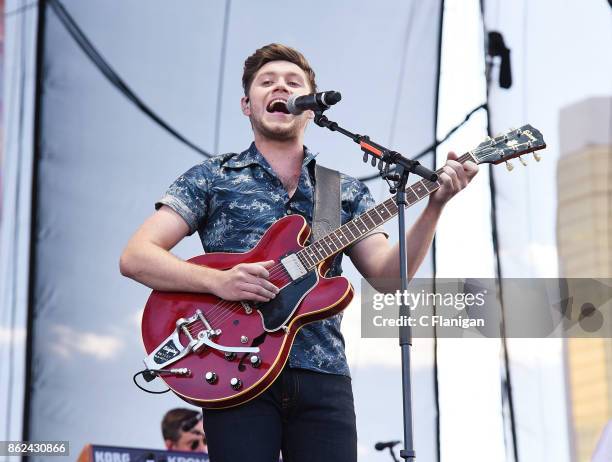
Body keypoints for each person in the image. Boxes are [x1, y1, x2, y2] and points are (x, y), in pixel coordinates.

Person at [120, 43, 478, 462]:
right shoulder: (212, 177)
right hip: (234, 367)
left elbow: (387, 277)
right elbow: (136, 255)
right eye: (267, 82)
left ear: (309, 108)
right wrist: (220, 280)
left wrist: (435, 206)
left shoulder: (341, 189)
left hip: (323, 376)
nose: (281, 88)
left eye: (294, 84)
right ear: (246, 105)